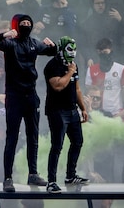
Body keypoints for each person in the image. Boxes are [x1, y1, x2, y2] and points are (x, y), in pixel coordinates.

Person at [0, 14, 57, 192]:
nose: (27, 25)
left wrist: (53, 45)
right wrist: (6, 34)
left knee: (33, 136)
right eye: (23, 23)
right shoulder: (10, 43)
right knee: (12, 137)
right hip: (14, 97)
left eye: (29, 23)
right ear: (16, 25)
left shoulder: (34, 43)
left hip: (31, 96)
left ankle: (33, 174)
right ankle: (7, 178)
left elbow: (52, 51)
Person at [43, 36, 90, 193]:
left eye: (75, 49)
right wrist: (70, 72)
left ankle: (71, 175)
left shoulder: (74, 65)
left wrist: (83, 108)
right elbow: (58, 86)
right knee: (57, 146)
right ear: (62, 49)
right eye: (70, 49)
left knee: (78, 142)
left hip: (72, 110)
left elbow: (77, 88)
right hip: (57, 111)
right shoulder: (52, 65)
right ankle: (51, 182)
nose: (73, 52)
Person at [84, 38, 124, 116]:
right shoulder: (91, 69)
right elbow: (88, 91)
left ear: (111, 51)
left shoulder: (121, 69)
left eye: (105, 52)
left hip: (116, 112)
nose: (103, 54)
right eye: (100, 52)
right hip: (96, 112)